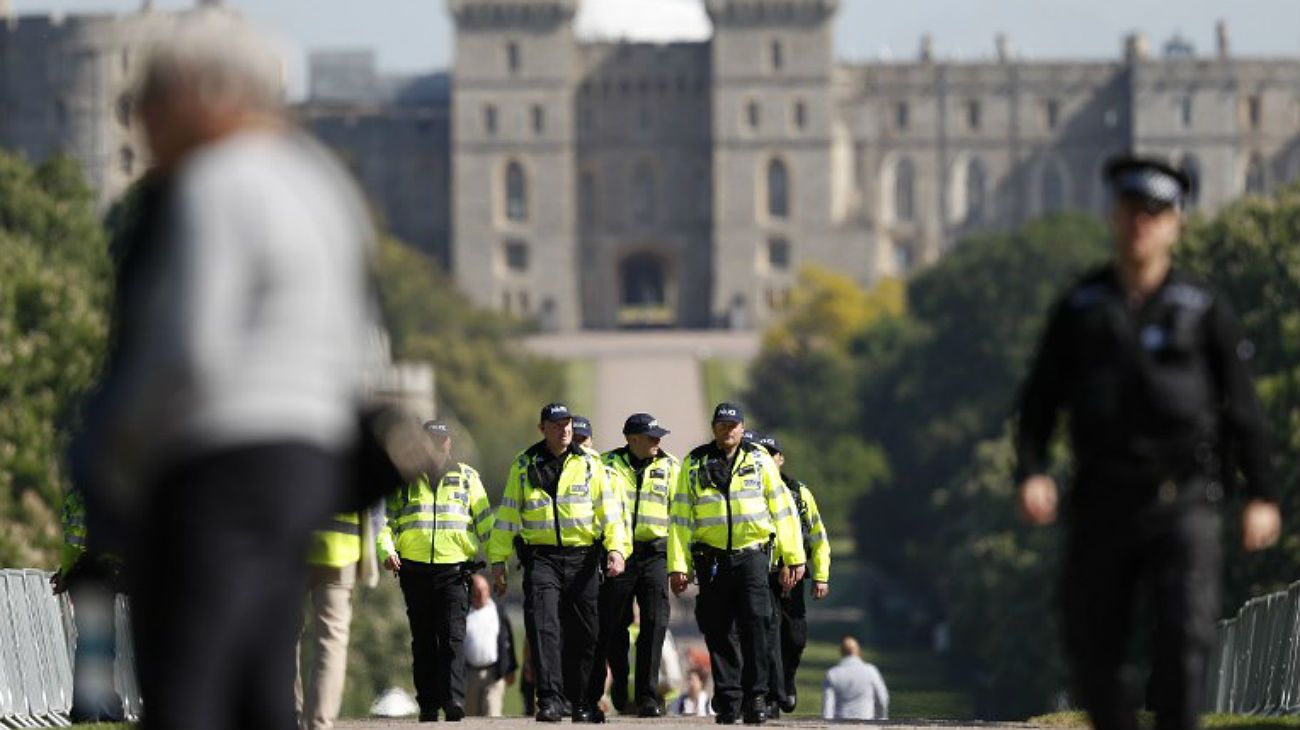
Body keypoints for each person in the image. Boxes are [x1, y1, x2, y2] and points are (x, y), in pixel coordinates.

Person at [73, 10, 377, 729]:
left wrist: (115, 461)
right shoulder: (322, 182)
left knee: (188, 683)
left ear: (205, 92)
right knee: (260, 676)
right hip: (305, 461)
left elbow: (186, 348)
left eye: (150, 96)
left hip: (216, 462)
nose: (137, 118)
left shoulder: (214, 184)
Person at [1015, 154, 1282, 730]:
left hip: (1183, 500)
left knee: (1184, 640)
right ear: (1113, 217)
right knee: (1096, 650)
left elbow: (1242, 407)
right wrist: (1032, 470)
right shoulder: (1082, 307)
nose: (1141, 223)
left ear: (1174, 224)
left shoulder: (1202, 308)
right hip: (1102, 500)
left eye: (1155, 213)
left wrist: (1261, 493)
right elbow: (1039, 401)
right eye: (1132, 211)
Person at [487, 402, 630, 723]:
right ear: (542, 429)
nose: (565, 429)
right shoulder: (524, 465)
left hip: (583, 559)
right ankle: (550, 699)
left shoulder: (591, 464)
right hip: (543, 560)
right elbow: (508, 515)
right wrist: (498, 561)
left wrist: (617, 549)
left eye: (567, 424)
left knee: (587, 634)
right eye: (557, 424)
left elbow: (610, 513)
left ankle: (583, 701)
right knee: (543, 628)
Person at [668, 403, 806, 725]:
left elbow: (782, 509)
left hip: (753, 556)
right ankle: (729, 699)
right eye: (722, 424)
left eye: (734, 425)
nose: (728, 430)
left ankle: (756, 697)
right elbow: (680, 518)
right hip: (710, 559)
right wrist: (678, 564)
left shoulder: (759, 460)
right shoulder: (695, 463)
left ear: (742, 428)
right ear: (714, 427)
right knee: (718, 629)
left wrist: (793, 555)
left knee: (757, 624)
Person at [379, 420, 494, 722]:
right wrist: (386, 551)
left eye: (441, 440)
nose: (436, 445)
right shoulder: (403, 478)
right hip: (413, 571)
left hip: (454, 571)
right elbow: (385, 523)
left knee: (454, 637)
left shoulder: (468, 478)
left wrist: (499, 563)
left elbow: (486, 526)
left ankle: (454, 699)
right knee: (424, 640)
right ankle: (428, 704)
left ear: (449, 443)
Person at [585, 413, 679, 717]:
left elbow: (681, 517)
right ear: (631, 439)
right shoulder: (606, 464)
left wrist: (680, 561)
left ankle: (648, 698)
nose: (657, 442)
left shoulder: (670, 467)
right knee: (611, 626)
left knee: (654, 623)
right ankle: (613, 688)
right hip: (618, 555)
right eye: (651, 437)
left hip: (655, 554)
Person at [755, 434, 831, 715]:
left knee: (795, 637)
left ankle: (786, 680)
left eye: (772, 453)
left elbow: (817, 536)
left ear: (780, 458)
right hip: (763, 574)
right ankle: (772, 695)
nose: (768, 458)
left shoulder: (800, 493)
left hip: (795, 576)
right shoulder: (750, 491)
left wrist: (821, 575)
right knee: (769, 634)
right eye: (761, 453)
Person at [295, 508, 369, 730]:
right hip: (340, 546)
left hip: (290, 543)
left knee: (283, 633)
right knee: (332, 639)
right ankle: (320, 723)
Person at [464, 573, 519, 717]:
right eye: (477, 590)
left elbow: (508, 640)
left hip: (494, 673)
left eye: (484, 589)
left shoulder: (498, 611)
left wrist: (510, 668)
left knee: (492, 713)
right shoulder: (464, 613)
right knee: (470, 716)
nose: (481, 594)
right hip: (470, 674)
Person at [821, 637, 888, 720]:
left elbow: (827, 707)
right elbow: (882, 700)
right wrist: (881, 719)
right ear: (858, 651)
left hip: (840, 725)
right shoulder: (871, 671)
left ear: (841, 652)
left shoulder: (832, 674)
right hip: (867, 724)